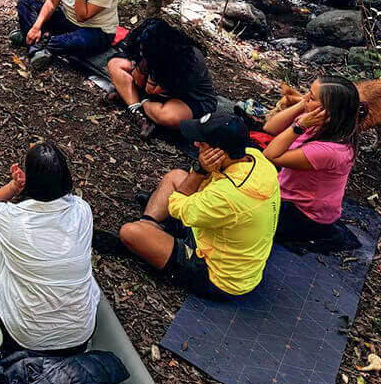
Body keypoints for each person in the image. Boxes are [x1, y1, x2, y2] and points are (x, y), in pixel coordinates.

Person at [110, 114, 279, 301]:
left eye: (202, 142)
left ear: (219, 153)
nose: (196, 144)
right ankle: (150, 225)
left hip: (218, 276)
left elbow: (176, 205)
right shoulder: (256, 158)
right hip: (217, 233)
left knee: (130, 232)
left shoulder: (226, 196)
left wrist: (200, 170)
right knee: (175, 176)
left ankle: (148, 235)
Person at [0, 142, 99, 355]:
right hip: (79, 337)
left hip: (22, 338)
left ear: (30, 181)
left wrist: (14, 186)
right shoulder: (83, 210)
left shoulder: (13, 219)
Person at [263, 76, 362, 249]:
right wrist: (304, 103)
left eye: (312, 97)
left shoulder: (330, 151)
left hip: (304, 216)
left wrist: (298, 126)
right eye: (308, 91)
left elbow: (270, 155)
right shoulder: (319, 121)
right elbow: (270, 128)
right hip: (290, 194)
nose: (305, 97)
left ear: (328, 112)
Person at [106, 18, 218, 140]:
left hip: (185, 97)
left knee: (169, 117)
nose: (142, 53)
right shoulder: (146, 49)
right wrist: (141, 68)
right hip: (153, 90)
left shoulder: (189, 58)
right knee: (115, 64)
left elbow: (152, 90)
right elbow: (137, 70)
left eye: (145, 51)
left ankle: (135, 101)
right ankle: (138, 112)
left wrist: (144, 75)